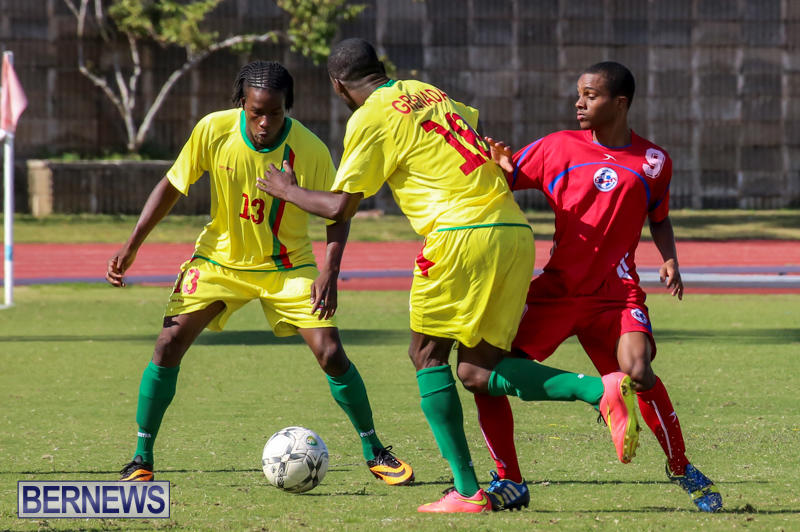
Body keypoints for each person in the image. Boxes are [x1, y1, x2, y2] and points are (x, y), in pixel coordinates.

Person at [256, 39, 639, 513]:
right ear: (382, 68)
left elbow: (340, 205)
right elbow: (471, 135)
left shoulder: (370, 117)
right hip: (512, 230)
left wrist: (286, 189)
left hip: (459, 234)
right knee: (477, 371)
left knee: (426, 355)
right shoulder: (427, 91)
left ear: (338, 85)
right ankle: (599, 389)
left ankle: (468, 490)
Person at [105, 60, 414, 487]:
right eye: (256, 112)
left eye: (275, 112)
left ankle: (374, 449)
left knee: (330, 352)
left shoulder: (309, 149)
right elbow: (173, 185)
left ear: (288, 107)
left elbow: (338, 212)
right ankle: (141, 457)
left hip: (288, 266)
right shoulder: (213, 130)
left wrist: (329, 271)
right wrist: (132, 245)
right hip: (219, 262)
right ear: (241, 104)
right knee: (167, 344)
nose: (265, 122)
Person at [480, 61, 723, 513]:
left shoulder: (654, 162)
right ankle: (508, 477)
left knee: (639, 370)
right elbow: (503, 179)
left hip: (617, 293)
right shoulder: (557, 147)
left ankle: (681, 467)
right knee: (487, 372)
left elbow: (659, 216)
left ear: (620, 103)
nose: (579, 103)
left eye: (590, 96)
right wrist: (499, 167)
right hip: (557, 292)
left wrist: (669, 257)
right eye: (579, 94)